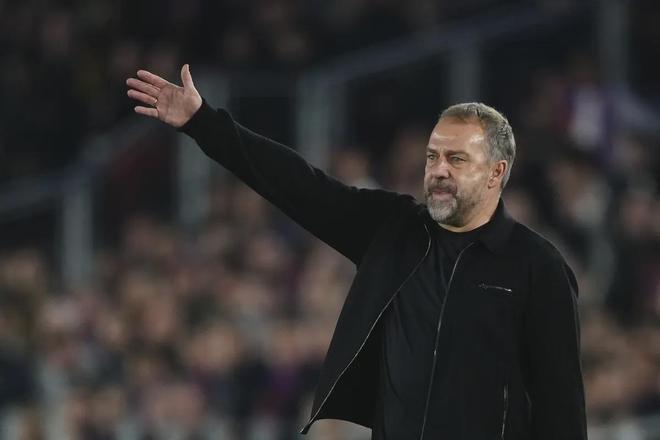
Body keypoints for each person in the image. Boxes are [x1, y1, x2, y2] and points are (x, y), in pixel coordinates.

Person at [126, 65, 588, 439]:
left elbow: (562, 410)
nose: (438, 170)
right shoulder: (394, 230)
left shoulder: (538, 267)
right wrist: (204, 122)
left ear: (496, 173)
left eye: (457, 159)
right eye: (432, 156)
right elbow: (299, 186)